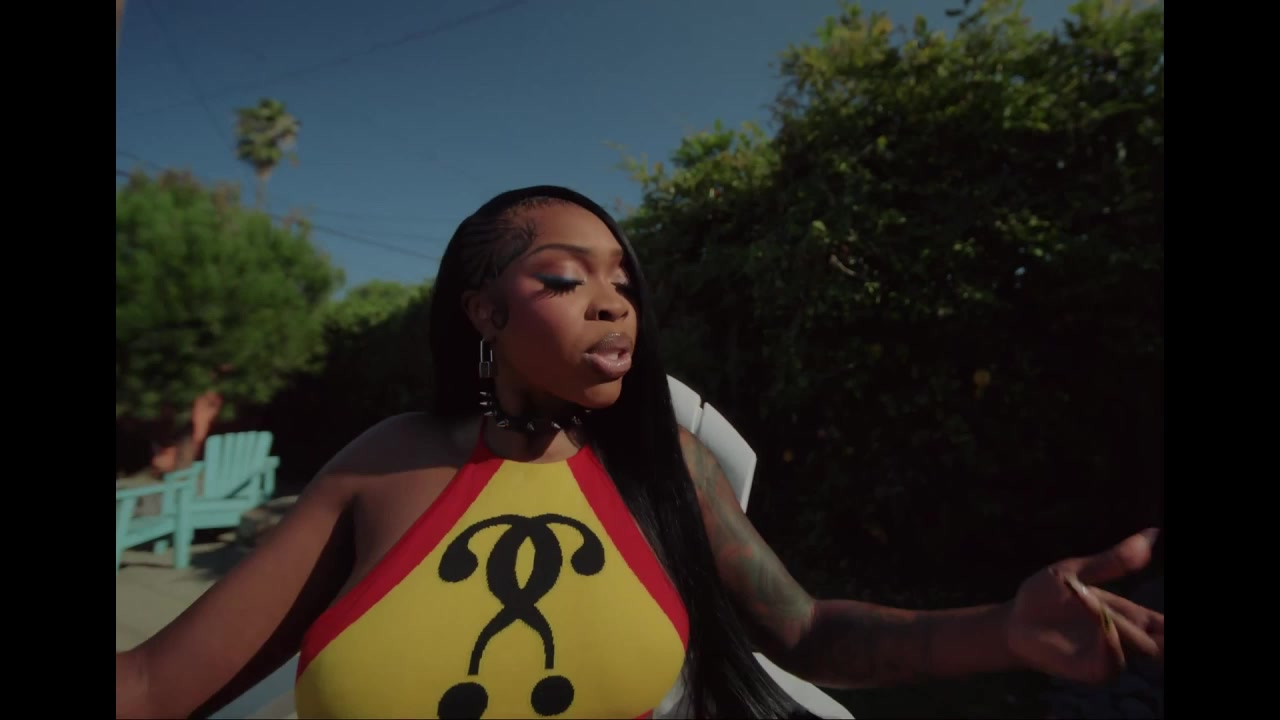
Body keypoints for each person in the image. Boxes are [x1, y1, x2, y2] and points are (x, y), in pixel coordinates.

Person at [114, 186, 1164, 720]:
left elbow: (806, 633)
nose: (614, 300)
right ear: (482, 311)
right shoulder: (379, 468)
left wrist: (1001, 631)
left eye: (623, 278)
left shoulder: (670, 469)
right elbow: (156, 684)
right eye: (565, 277)